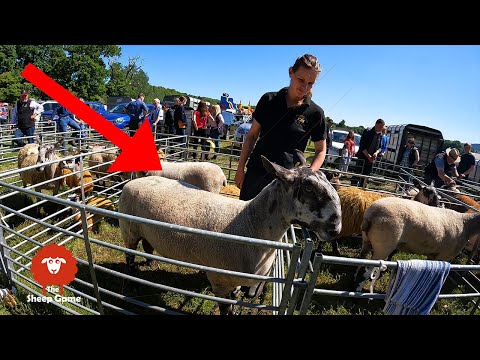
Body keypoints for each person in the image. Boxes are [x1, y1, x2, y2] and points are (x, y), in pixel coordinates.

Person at [234, 54, 326, 201]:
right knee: (246, 220)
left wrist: (307, 175)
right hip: (256, 173)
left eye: (311, 83)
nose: (305, 87)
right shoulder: (269, 99)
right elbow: (252, 136)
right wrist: (240, 169)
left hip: (287, 183)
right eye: (301, 80)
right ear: (291, 72)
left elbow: (321, 150)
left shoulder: (315, 113)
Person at [354, 118, 385, 187]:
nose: (381, 128)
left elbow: (380, 147)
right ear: (376, 124)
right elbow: (362, 146)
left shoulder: (380, 135)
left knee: (366, 176)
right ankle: (353, 188)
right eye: (380, 126)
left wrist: (376, 152)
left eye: (382, 127)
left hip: (371, 160)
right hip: (363, 157)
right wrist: (368, 157)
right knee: (358, 174)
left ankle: (362, 189)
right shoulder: (367, 132)